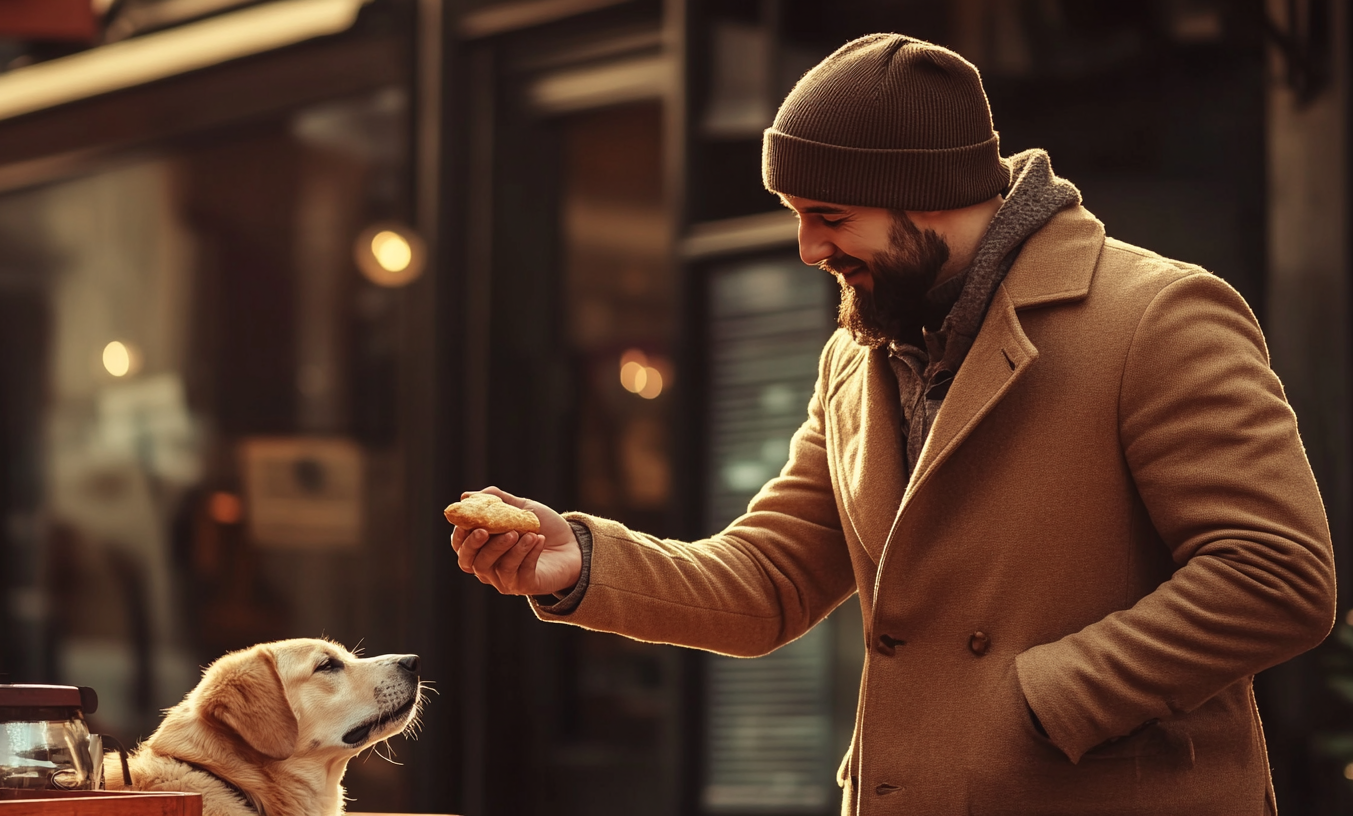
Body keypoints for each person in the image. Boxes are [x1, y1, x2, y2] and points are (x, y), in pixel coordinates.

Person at [448, 33, 1336, 816]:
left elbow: (1277, 574)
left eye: (830, 217)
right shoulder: (859, 353)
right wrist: (581, 562)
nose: (809, 250)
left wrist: (1046, 698)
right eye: (798, 218)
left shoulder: (1156, 317)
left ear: (929, 196)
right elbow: (769, 580)